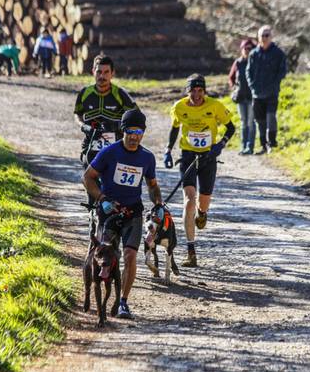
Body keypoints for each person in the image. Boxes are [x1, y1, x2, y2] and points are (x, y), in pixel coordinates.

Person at [83, 109, 163, 319]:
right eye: (131, 131)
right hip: (109, 212)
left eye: (139, 131)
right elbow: (88, 177)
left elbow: (152, 185)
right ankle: (97, 297)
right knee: (104, 254)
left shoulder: (147, 157)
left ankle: (123, 303)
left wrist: (158, 203)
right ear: (123, 130)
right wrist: (101, 199)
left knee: (130, 255)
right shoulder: (110, 152)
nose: (135, 136)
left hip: (132, 212)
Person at [163, 74, 235, 267]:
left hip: (208, 157)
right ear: (188, 91)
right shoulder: (179, 107)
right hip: (187, 156)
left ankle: (202, 213)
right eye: (193, 91)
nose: (196, 95)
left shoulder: (215, 106)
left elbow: (231, 128)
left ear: (204, 91)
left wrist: (220, 145)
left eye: (200, 91)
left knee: (203, 202)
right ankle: (190, 250)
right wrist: (168, 150)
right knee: (188, 200)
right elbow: (174, 128)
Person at [246, 25, 288, 154]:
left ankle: (272, 143)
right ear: (258, 37)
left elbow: (282, 71)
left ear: (271, 37)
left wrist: (274, 84)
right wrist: (252, 85)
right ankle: (263, 145)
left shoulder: (278, 53)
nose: (264, 38)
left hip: (272, 93)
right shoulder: (253, 54)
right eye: (262, 35)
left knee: (271, 118)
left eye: (267, 35)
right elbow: (249, 71)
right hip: (257, 94)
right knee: (260, 121)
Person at [228, 38, 256, 154]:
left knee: (250, 122)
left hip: (252, 97)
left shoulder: (256, 62)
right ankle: (243, 146)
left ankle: (250, 147)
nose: (247, 50)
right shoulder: (238, 62)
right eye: (245, 48)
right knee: (243, 122)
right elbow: (231, 77)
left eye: (249, 48)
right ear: (241, 49)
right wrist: (234, 87)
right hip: (241, 97)